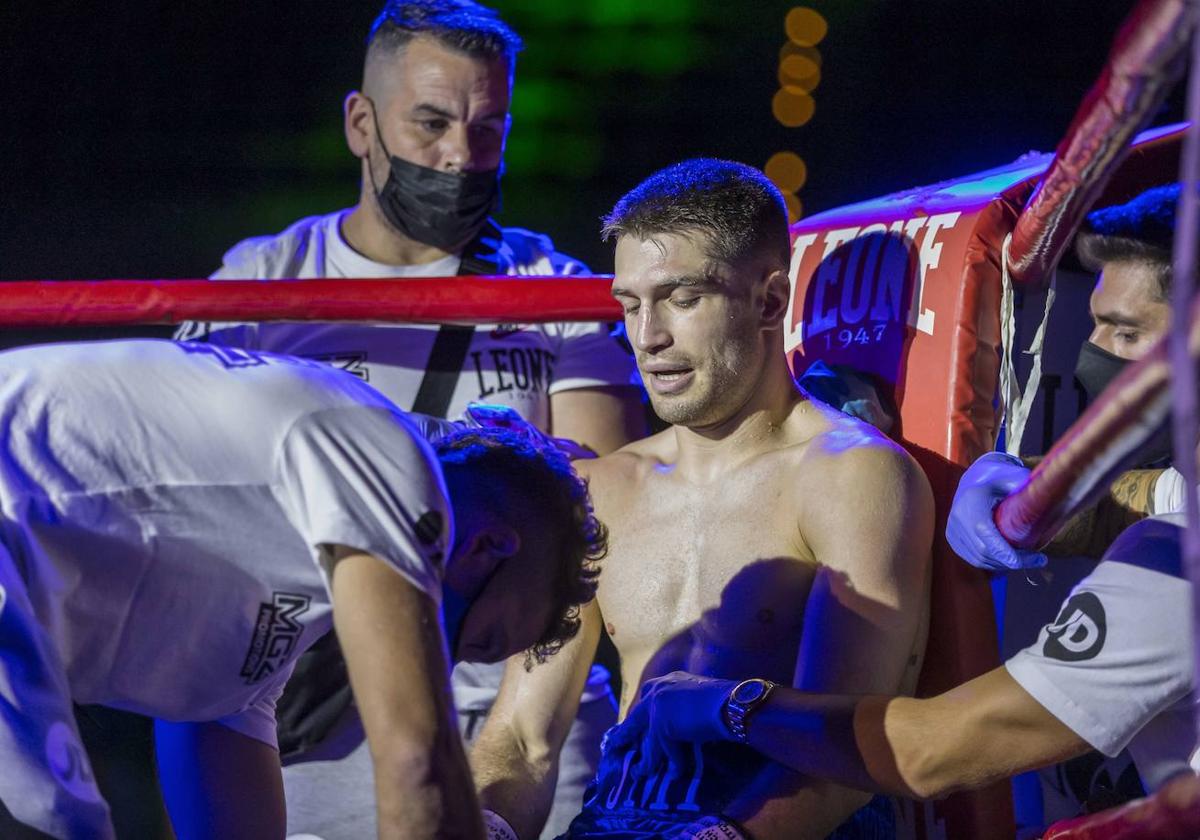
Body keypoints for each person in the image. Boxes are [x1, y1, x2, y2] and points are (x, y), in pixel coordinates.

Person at [171, 3, 641, 836]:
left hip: (507, 714)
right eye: (430, 123)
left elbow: (594, 534)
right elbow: (193, 526)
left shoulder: (549, 287)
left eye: (488, 129)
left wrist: (518, 745)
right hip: (309, 729)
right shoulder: (262, 287)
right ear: (362, 122)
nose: (459, 156)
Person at [469, 158, 934, 840]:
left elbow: (844, 753)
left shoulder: (851, 476)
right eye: (630, 304)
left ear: (770, 301)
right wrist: (481, 826)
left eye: (682, 298)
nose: (648, 337)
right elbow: (521, 735)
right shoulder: (600, 490)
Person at [0, 338, 605, 840]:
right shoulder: (386, 461)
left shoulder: (265, 628)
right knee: (53, 824)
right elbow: (416, 762)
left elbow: (226, 766)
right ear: (487, 548)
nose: (448, 666)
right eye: (483, 638)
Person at [607, 512, 1195, 807]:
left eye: (1129, 332)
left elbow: (928, 751)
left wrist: (723, 705)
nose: (1097, 354)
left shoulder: (1173, 560)